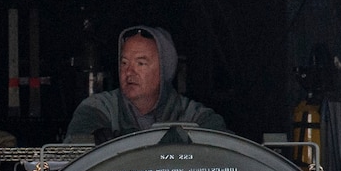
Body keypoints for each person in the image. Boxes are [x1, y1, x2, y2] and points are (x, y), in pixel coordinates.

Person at [64, 25, 227, 140]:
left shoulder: (192, 116)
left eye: (140, 63)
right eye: (124, 63)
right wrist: (95, 137)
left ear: (164, 70)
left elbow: (225, 148)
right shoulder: (98, 108)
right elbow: (77, 141)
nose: (129, 72)